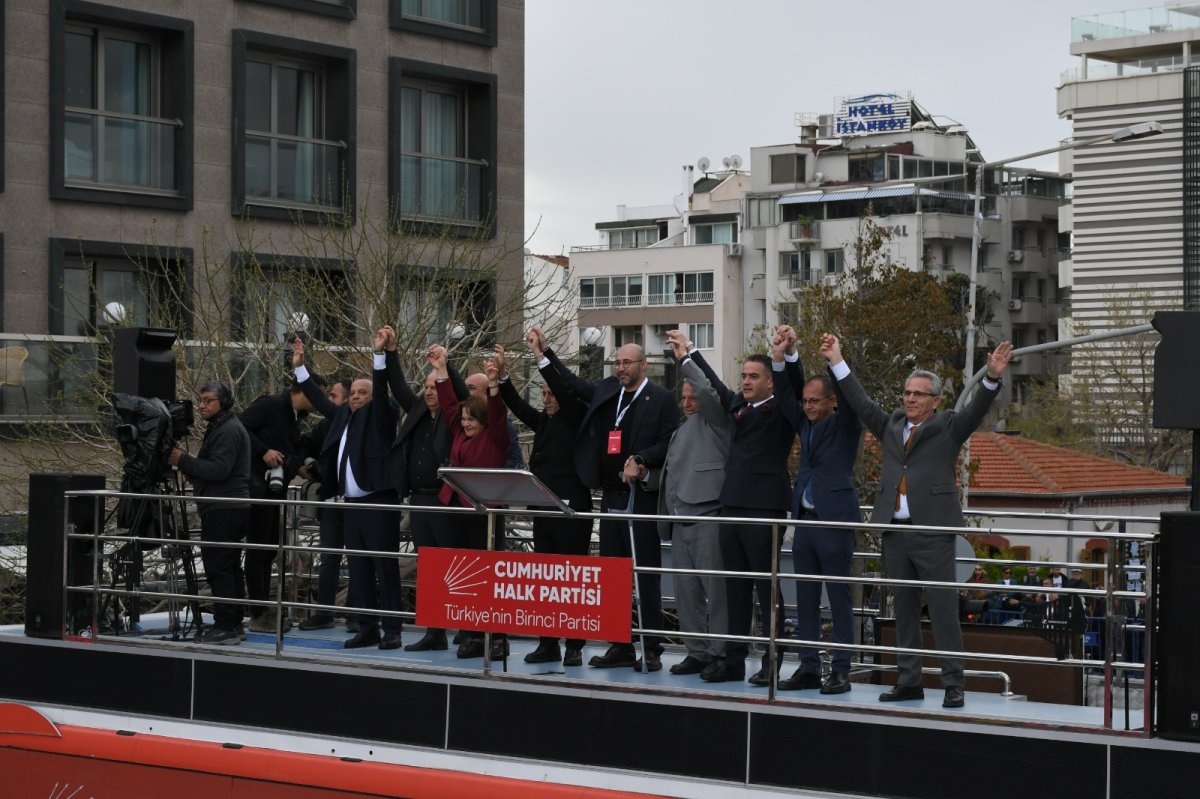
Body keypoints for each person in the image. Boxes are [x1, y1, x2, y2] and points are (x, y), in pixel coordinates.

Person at [823, 332, 1012, 709]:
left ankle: (953, 683)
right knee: (904, 610)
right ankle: (909, 680)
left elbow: (975, 410)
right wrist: (836, 360)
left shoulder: (948, 427)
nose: (909, 398)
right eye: (907, 392)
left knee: (942, 610)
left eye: (918, 394)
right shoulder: (891, 425)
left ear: (935, 401)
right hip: (896, 532)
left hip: (933, 532)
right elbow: (860, 403)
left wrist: (991, 377)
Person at [534, 325, 677, 672]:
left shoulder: (660, 398)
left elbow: (670, 439)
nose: (621, 368)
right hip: (610, 494)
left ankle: (652, 648)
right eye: (618, 362)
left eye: (627, 362)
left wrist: (642, 459)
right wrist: (545, 353)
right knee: (612, 575)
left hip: (640, 496)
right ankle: (620, 645)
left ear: (643, 365)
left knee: (644, 573)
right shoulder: (610, 392)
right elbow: (572, 383)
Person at [686, 325, 803, 685]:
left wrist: (788, 355)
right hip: (732, 506)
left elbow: (794, 386)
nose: (747, 381)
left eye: (754, 376)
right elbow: (716, 387)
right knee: (735, 587)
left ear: (770, 381)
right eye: (744, 376)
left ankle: (772, 660)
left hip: (764, 508)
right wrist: (690, 353)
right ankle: (733, 660)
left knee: (766, 588)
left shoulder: (782, 407)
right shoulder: (739, 403)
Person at [294, 329, 402, 650]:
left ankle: (392, 629)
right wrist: (300, 367)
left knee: (385, 567)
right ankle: (366, 626)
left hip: (378, 502)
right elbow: (315, 398)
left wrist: (379, 357)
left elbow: (381, 392)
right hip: (350, 505)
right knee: (358, 569)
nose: (355, 396)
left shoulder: (381, 415)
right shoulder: (343, 415)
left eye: (361, 392)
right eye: (352, 392)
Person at [638, 329, 731, 677]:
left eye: (692, 397)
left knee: (715, 592)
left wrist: (685, 358)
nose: (688, 402)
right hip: (678, 521)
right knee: (685, 593)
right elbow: (672, 476)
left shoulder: (718, 422)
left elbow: (708, 392)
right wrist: (646, 476)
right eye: (684, 398)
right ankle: (697, 650)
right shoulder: (680, 432)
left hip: (709, 517)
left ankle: (720, 652)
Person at [495, 338, 593, 666]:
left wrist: (541, 356)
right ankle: (548, 642)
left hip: (571, 512)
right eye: (545, 395)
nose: (547, 399)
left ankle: (575, 646)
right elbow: (519, 408)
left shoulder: (576, 416)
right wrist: (504, 376)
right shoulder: (547, 422)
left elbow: (563, 389)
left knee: (571, 581)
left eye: (551, 394)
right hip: (544, 510)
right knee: (546, 581)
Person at [776, 336, 862, 695]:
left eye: (815, 401)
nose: (807, 406)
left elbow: (850, 397)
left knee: (838, 599)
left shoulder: (847, 423)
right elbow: (786, 393)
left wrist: (835, 359)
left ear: (831, 401)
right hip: (806, 523)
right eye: (805, 401)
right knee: (806, 598)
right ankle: (809, 667)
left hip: (835, 522)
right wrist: (787, 354)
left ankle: (841, 670)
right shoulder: (806, 422)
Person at [428, 344, 511, 659]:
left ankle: (497, 639)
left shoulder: (496, 437)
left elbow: (498, 412)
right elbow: (449, 404)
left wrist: (493, 384)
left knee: (490, 579)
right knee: (468, 578)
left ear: (483, 420)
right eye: (463, 420)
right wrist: (441, 369)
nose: (464, 423)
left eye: (471, 419)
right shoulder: (459, 433)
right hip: (459, 511)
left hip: (486, 516)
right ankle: (474, 636)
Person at [168, 381, 251, 646]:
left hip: (224, 507)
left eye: (208, 400)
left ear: (223, 403)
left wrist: (181, 460)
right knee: (229, 567)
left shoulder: (227, 430)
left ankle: (226, 625)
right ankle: (234, 622)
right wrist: (193, 471)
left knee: (219, 568)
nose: (202, 405)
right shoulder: (224, 426)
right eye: (200, 400)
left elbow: (219, 470)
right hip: (228, 506)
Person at [238, 377, 320, 634]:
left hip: (274, 491)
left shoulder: (295, 417)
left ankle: (262, 608)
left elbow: (287, 451)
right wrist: (263, 451)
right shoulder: (272, 405)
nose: (320, 402)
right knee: (258, 550)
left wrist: (298, 465)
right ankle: (258, 612)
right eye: (317, 395)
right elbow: (238, 428)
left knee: (270, 548)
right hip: (257, 490)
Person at [388, 345, 455, 653]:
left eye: (434, 387)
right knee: (428, 570)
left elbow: (459, 392)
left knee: (450, 569)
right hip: (418, 500)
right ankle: (434, 632)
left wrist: (445, 366)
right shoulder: (417, 412)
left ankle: (466, 631)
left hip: (444, 502)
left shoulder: (453, 415)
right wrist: (390, 352)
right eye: (426, 387)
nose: (430, 392)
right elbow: (398, 384)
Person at [296, 378, 351, 631]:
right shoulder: (326, 426)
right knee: (329, 558)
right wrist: (311, 465)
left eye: (335, 396)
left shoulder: (365, 424)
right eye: (328, 397)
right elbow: (302, 445)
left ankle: (359, 614)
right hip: (330, 501)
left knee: (359, 561)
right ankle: (324, 612)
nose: (330, 401)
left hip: (358, 504)